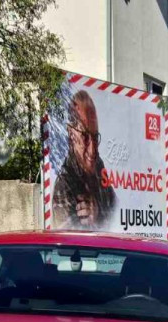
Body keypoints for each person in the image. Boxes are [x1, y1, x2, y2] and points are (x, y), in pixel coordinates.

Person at [53, 90, 116, 230]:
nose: (93, 150)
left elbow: (114, 205)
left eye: (95, 137)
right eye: (85, 137)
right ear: (71, 134)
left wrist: (98, 211)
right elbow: (68, 239)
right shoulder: (64, 186)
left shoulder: (98, 165)